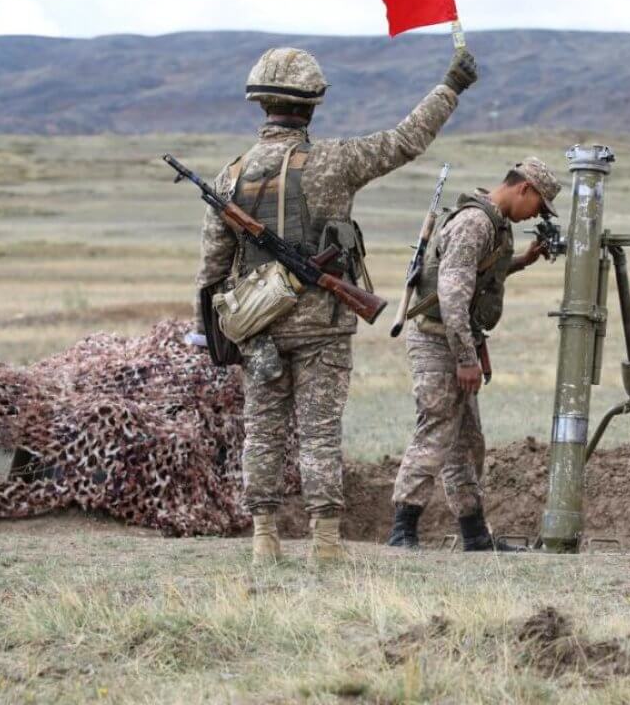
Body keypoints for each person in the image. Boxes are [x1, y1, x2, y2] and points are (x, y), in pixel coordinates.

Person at [195, 45, 477, 564]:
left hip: (258, 330)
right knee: (319, 434)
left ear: (262, 104)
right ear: (312, 104)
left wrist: (217, 333)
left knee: (262, 432)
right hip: (323, 327)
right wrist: (450, 86)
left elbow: (213, 269)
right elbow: (405, 140)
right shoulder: (335, 162)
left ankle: (264, 540)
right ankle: (325, 543)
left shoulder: (228, 177)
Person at [387, 158, 561, 551]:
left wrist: (522, 261)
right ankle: (402, 531)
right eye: (538, 205)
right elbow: (452, 295)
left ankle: (475, 536)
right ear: (524, 189)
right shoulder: (475, 224)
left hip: (455, 337)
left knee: (468, 442)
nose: (534, 215)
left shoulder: (492, 224)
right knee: (436, 428)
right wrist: (466, 359)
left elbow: (477, 276)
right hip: (439, 340)